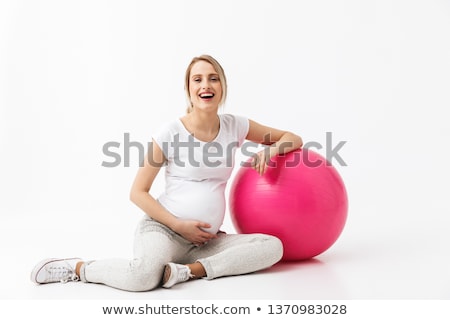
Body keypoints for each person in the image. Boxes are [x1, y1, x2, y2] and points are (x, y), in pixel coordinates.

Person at [30, 54, 303, 291]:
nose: (205, 85)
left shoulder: (236, 125)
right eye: (197, 79)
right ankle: (77, 268)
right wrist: (178, 225)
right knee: (142, 277)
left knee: (272, 247)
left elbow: (293, 138)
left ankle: (189, 271)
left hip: (207, 242)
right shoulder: (171, 132)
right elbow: (137, 193)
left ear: (223, 86)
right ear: (188, 88)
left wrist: (270, 150)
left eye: (213, 78)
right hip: (165, 231)